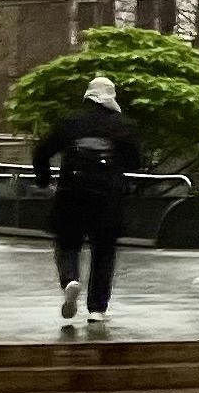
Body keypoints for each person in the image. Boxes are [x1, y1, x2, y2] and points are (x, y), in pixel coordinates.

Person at [32, 75, 142, 325]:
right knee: (104, 250)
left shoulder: (70, 122)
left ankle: (70, 279)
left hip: (72, 192)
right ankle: (97, 309)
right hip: (107, 196)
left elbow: (41, 152)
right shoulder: (123, 125)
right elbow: (135, 161)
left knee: (67, 243)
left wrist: (44, 180)